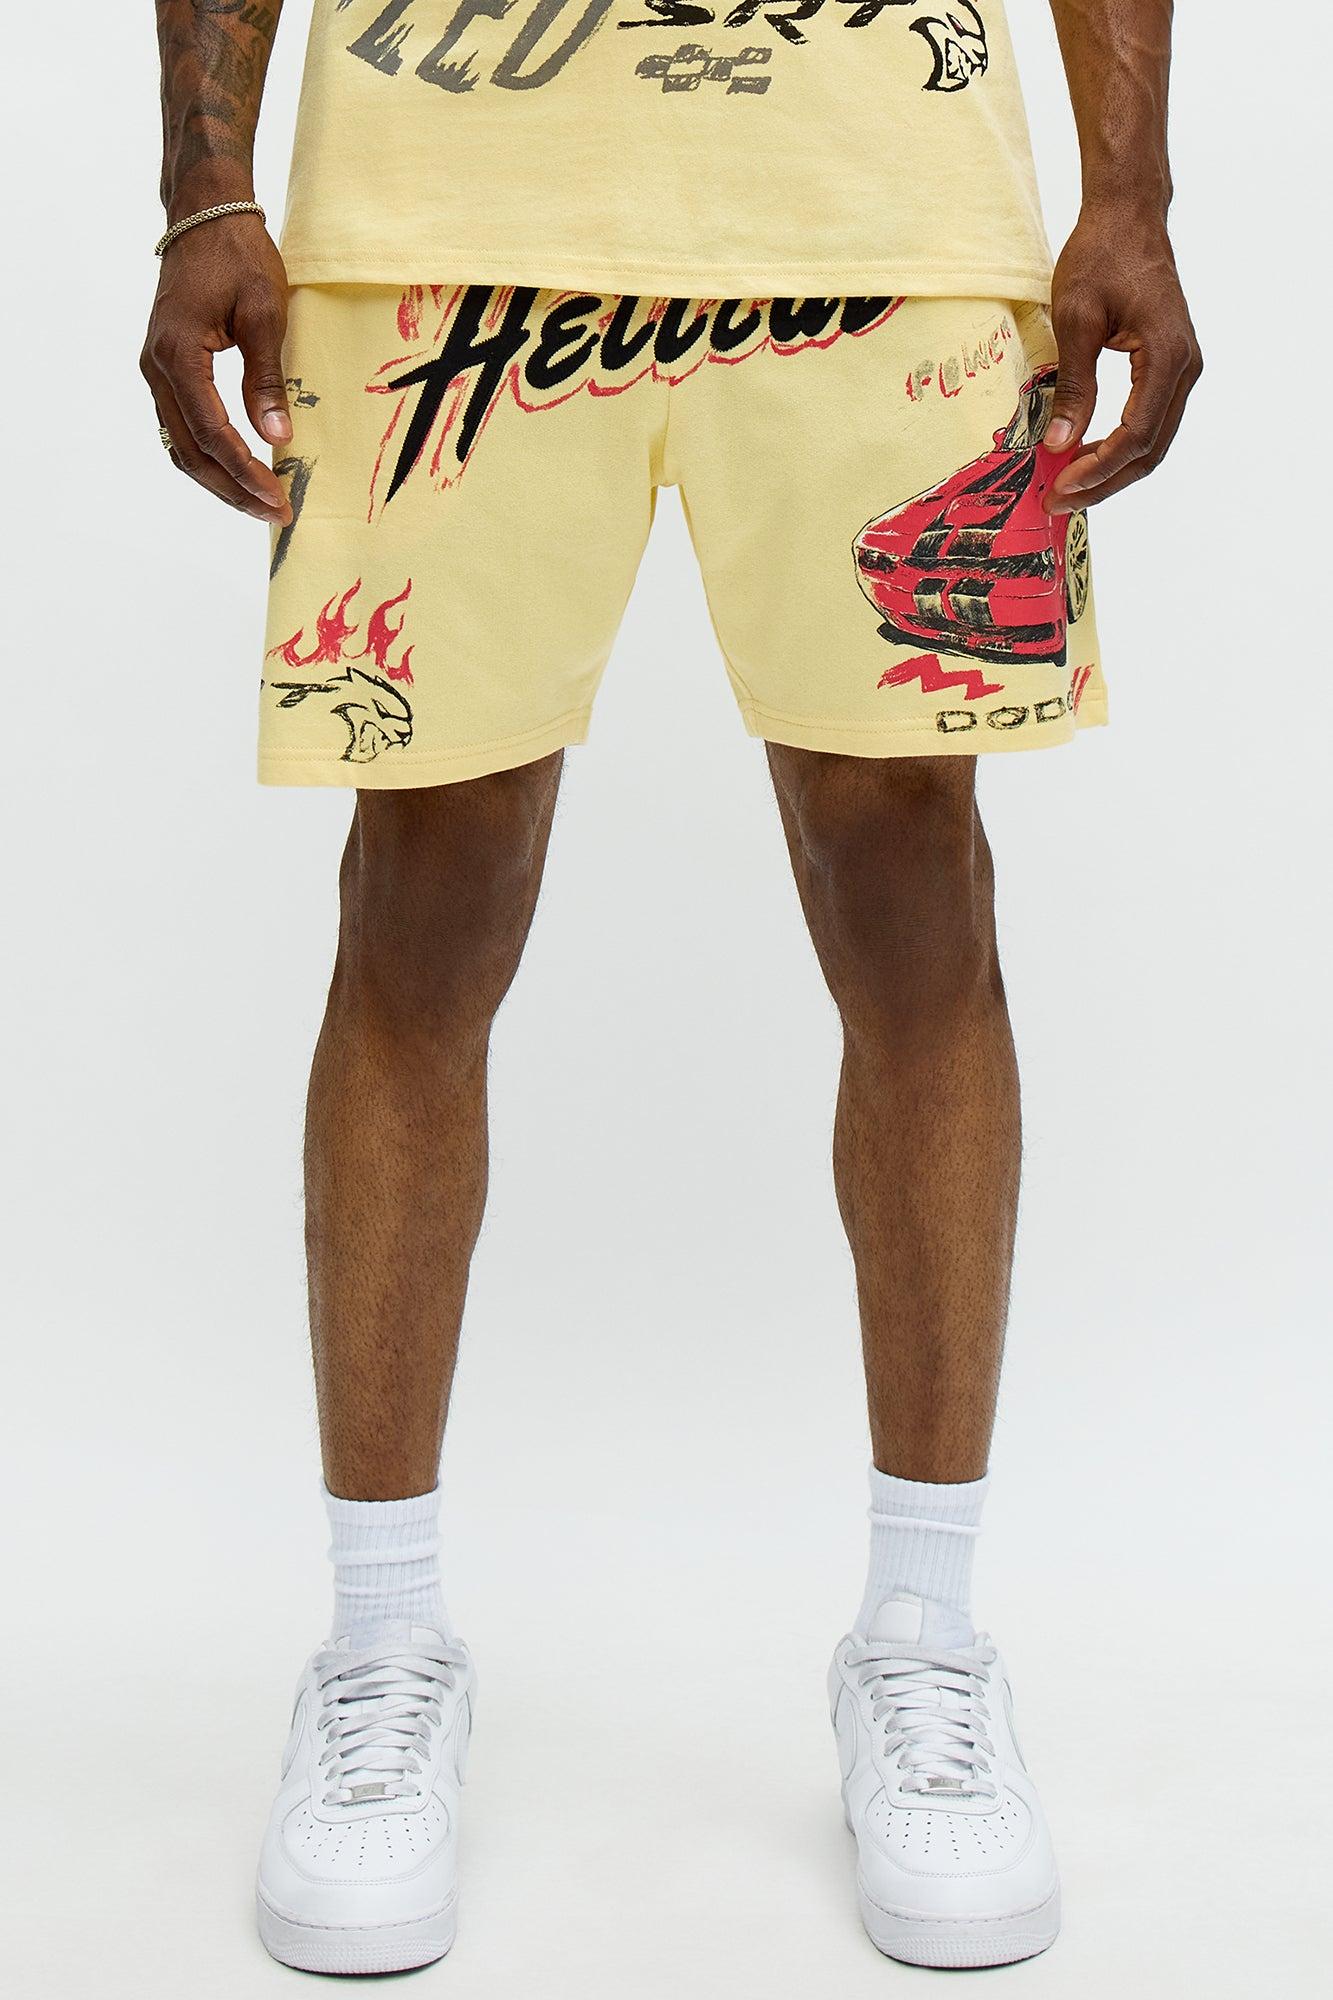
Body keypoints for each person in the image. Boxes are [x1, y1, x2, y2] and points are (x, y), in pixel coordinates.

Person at [143, 0, 1200, 1974]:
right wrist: (205, 182)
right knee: (423, 889)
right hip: (441, 207)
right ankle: (380, 1643)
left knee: (910, 887)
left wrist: (1126, 187)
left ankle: (922, 1632)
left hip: (886, 208)